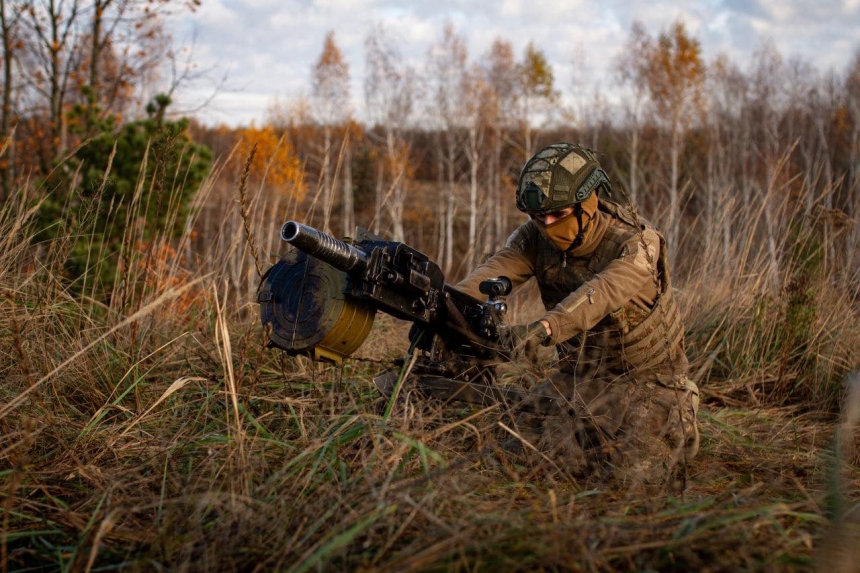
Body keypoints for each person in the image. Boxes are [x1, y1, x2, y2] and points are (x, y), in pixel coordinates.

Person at [456, 142, 699, 485]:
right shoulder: (534, 237)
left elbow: (603, 292)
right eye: (539, 217)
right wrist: (449, 304)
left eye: (559, 214)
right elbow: (494, 271)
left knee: (628, 477)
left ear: (589, 203)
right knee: (513, 454)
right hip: (578, 378)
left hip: (649, 381)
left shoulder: (637, 243)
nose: (548, 225)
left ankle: (680, 417)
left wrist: (544, 329)